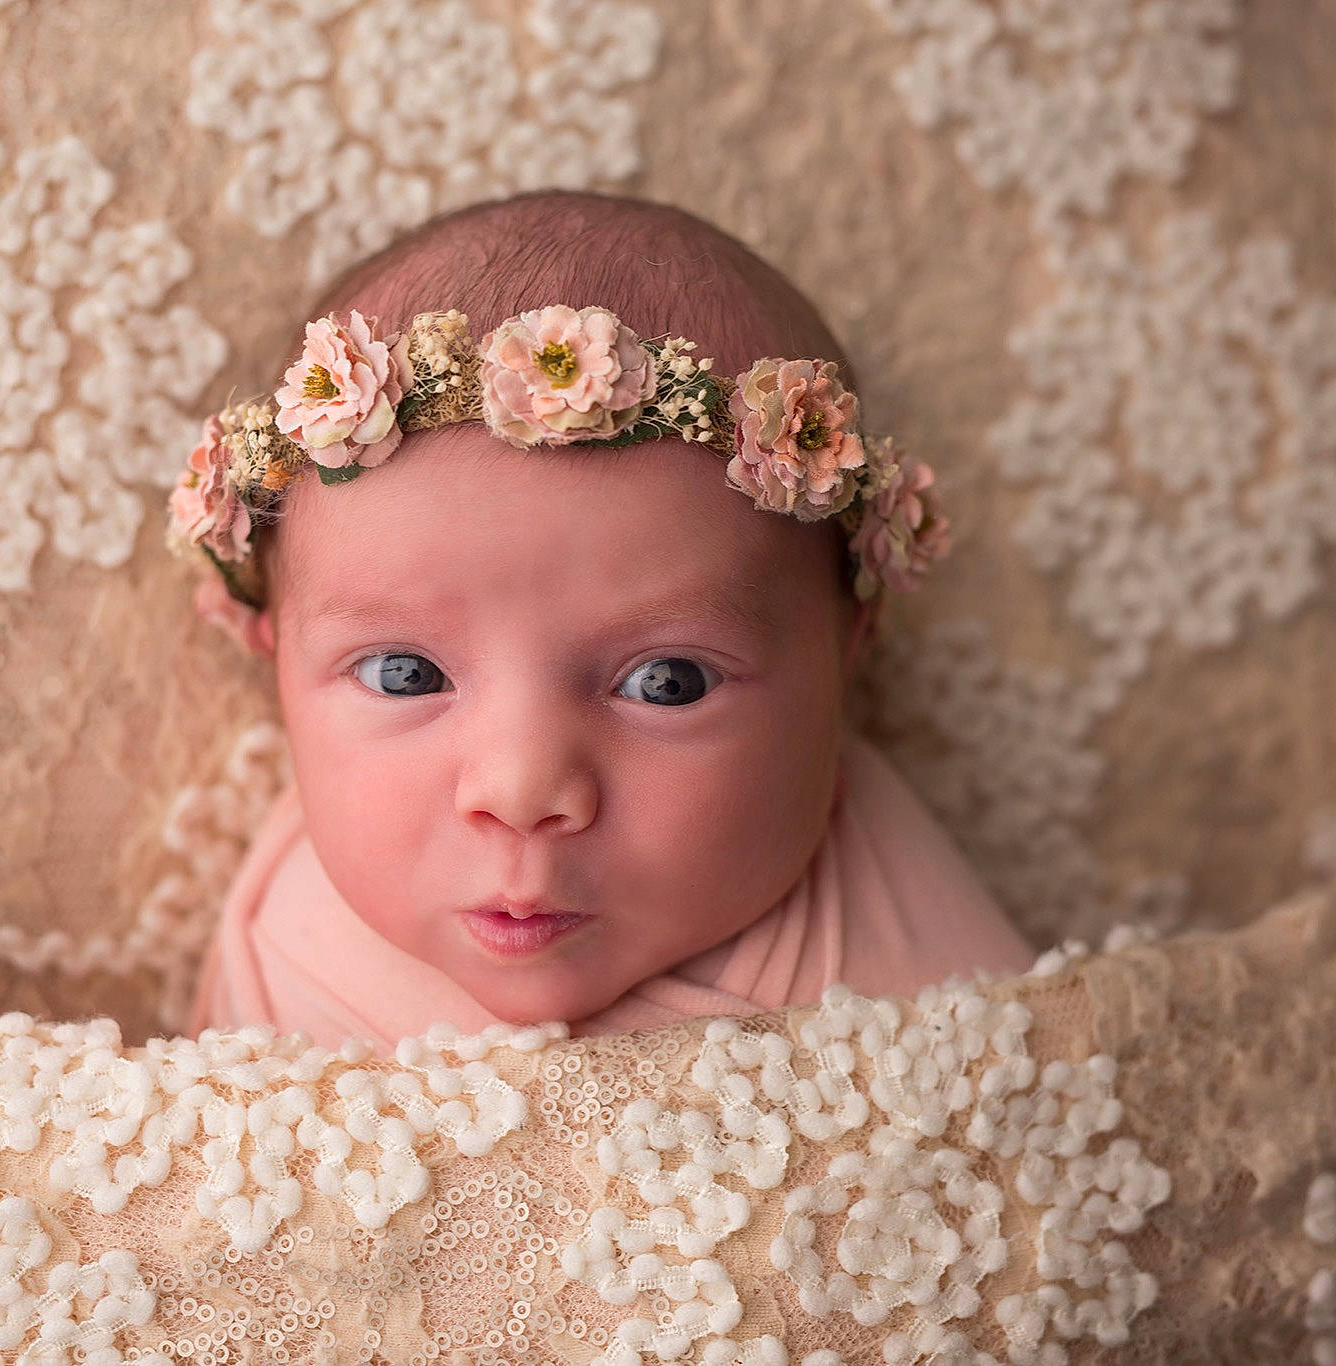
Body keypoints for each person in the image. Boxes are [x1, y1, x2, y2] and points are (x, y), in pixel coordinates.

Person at [176, 189, 1035, 1051]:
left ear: (847, 654)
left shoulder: (903, 956)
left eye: (668, 683)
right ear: (272, 655)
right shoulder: (286, 950)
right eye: (405, 674)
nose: (521, 792)